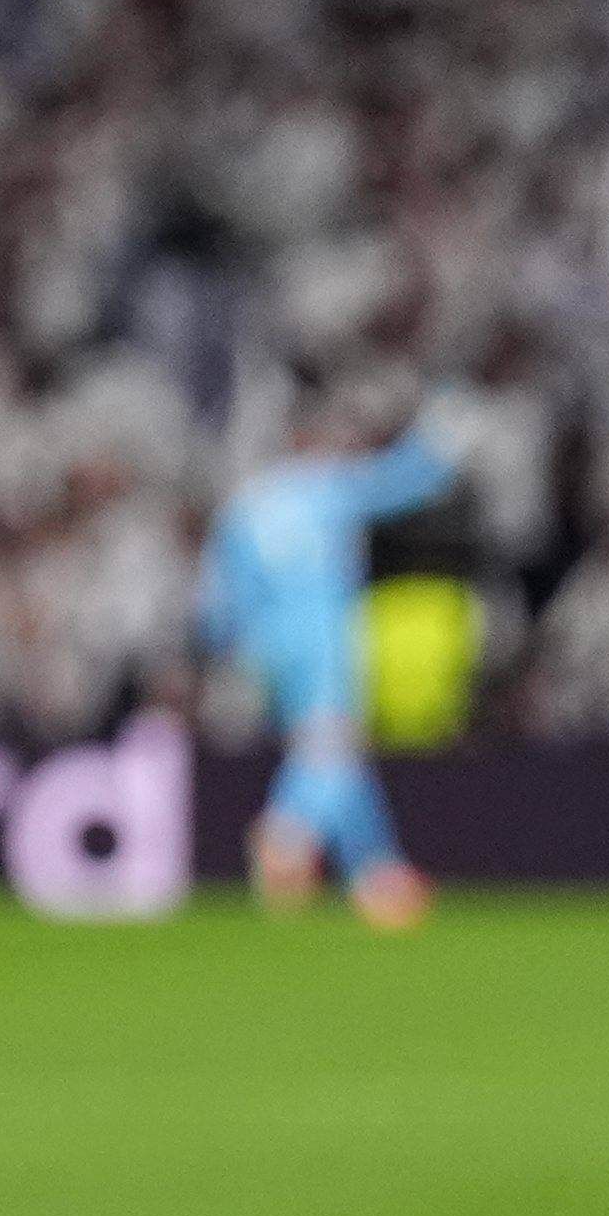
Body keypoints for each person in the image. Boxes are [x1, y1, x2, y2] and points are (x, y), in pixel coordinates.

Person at [199, 395, 464, 928]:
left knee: (339, 753)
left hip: (266, 646)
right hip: (321, 637)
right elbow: (401, 484)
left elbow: (216, 598)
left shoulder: (243, 506)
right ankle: (286, 832)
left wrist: (228, 651)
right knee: (327, 753)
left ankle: (377, 874)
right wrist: (441, 440)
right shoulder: (323, 490)